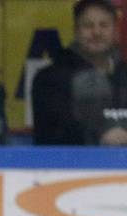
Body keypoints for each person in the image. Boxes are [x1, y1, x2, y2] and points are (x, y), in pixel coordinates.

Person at [32, 0, 127, 145]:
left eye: (104, 25)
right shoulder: (49, 79)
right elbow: (50, 134)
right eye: (88, 26)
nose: (96, 32)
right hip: (72, 166)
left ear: (115, 31)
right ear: (76, 31)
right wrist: (100, 136)